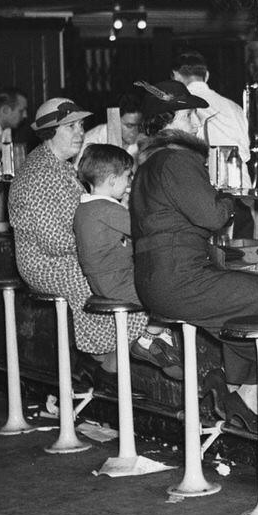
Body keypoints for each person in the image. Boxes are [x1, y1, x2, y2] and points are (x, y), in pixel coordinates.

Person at [130, 79, 258, 426]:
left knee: (242, 314)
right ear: (168, 120)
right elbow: (212, 216)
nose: (198, 122)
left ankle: (226, 387)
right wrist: (228, 198)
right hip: (181, 281)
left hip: (155, 283)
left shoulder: (149, 163)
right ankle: (241, 397)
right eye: (190, 116)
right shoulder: (177, 161)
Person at [8, 97, 151, 386]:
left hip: (73, 254)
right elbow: (53, 241)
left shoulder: (62, 165)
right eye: (70, 127)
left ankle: (107, 364)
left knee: (123, 274)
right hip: (47, 264)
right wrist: (106, 244)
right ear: (49, 132)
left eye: (81, 125)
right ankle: (101, 364)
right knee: (112, 281)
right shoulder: (39, 173)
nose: (79, 132)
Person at [74, 144, 181, 379]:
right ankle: (150, 338)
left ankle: (158, 338)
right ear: (112, 180)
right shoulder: (106, 209)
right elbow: (145, 227)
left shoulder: (88, 206)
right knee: (172, 291)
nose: (129, 182)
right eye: (127, 177)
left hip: (107, 279)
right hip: (116, 281)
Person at [172, 49, 250, 156]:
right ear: (207, 76)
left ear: (176, 76)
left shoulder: (180, 107)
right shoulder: (234, 107)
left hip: (205, 170)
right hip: (240, 170)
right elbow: (245, 151)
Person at [78, 92, 147, 163]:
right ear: (114, 121)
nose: (135, 132)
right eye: (129, 126)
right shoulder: (92, 140)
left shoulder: (142, 142)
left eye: (138, 125)